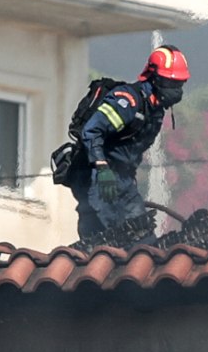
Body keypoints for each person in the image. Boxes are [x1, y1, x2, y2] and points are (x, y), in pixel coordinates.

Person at [69, 45, 190, 239]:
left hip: (123, 180)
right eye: (171, 83)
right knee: (109, 237)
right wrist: (102, 167)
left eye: (179, 85)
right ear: (155, 77)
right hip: (98, 177)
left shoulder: (155, 111)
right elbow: (92, 131)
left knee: (144, 240)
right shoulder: (128, 102)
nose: (176, 91)